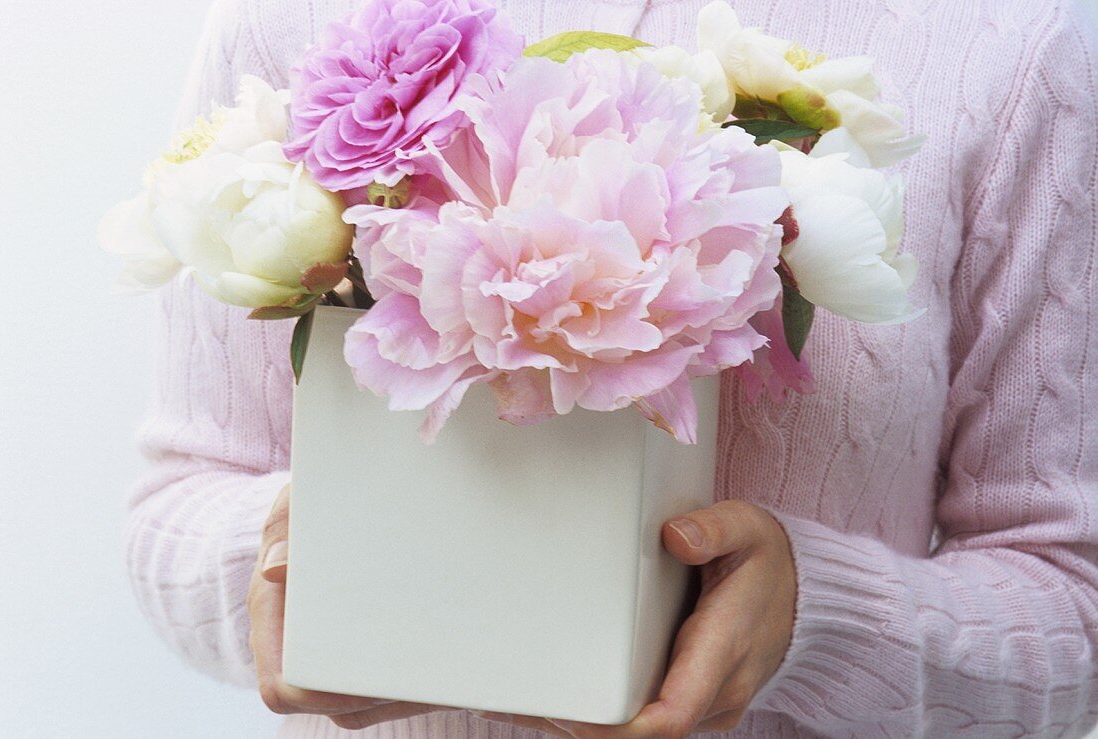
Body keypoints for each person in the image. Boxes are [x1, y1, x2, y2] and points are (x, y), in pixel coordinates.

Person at [124, 0, 1098, 736]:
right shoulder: (292, 23)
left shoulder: (1009, 46)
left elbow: (1071, 602)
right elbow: (176, 505)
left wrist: (816, 622)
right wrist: (296, 564)